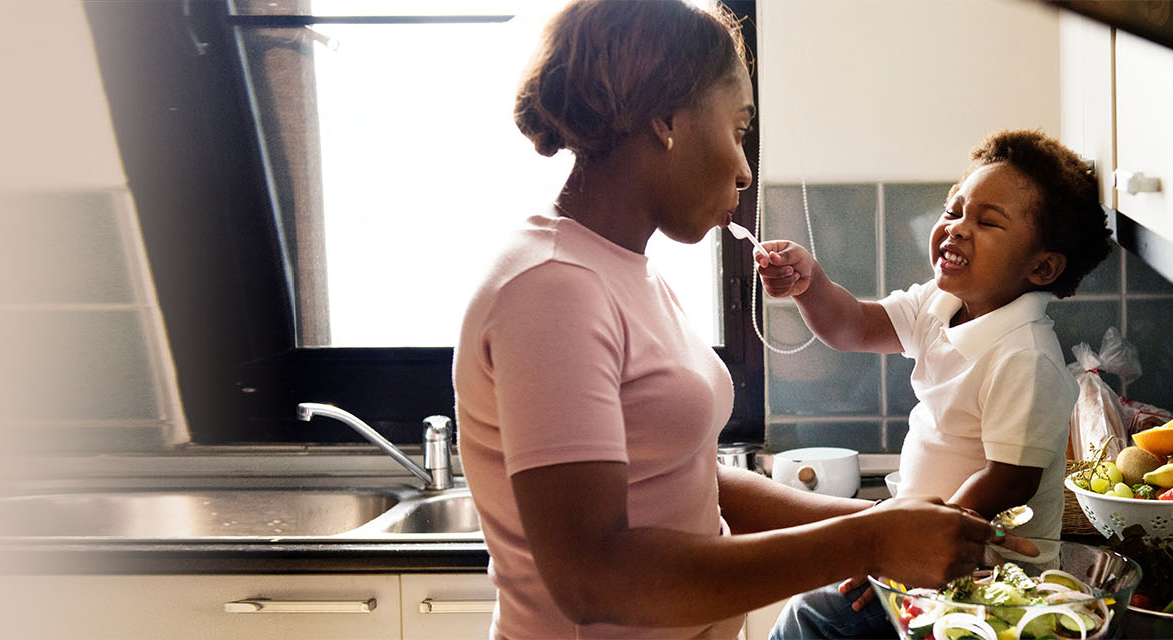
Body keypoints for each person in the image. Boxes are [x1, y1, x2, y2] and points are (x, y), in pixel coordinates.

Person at [451, 2, 1032, 639]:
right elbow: (595, 576)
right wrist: (868, 538)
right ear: (665, 121)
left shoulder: (623, 270)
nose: (744, 168)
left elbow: (690, 478)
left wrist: (890, 520)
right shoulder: (551, 288)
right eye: (737, 129)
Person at [756, 129, 1113, 639]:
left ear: (1042, 266)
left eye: (987, 222)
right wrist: (810, 283)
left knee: (812, 616)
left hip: (983, 575)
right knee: (812, 610)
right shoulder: (938, 304)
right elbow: (853, 325)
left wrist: (907, 543)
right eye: (953, 211)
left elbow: (1010, 479)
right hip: (923, 550)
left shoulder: (1025, 355)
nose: (958, 229)